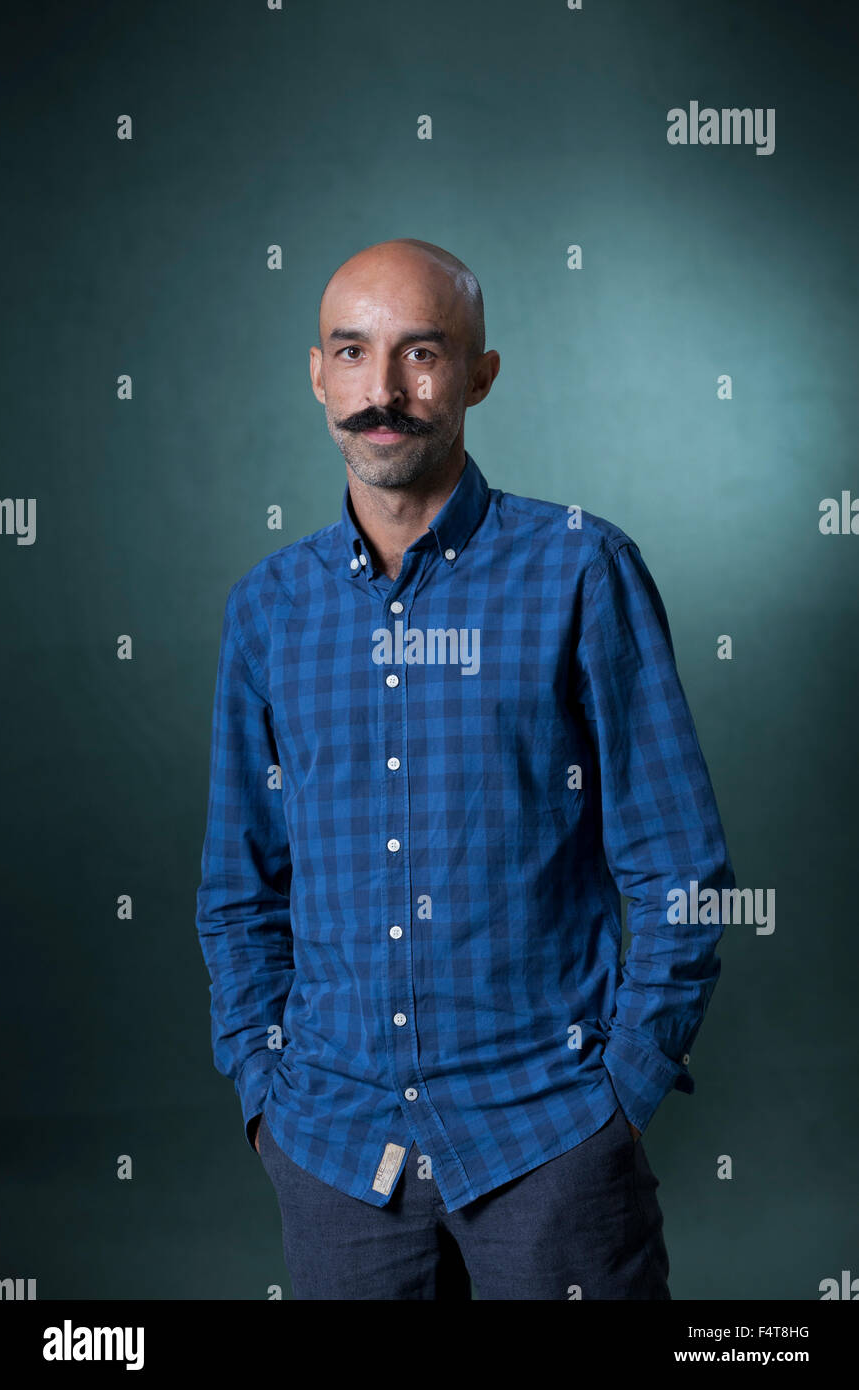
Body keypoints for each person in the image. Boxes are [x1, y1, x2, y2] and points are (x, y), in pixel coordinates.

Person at [195, 237, 735, 1300]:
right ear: (316, 374)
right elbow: (236, 889)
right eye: (350, 353)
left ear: (480, 375)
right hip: (335, 1156)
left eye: (421, 354)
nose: (381, 391)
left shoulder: (582, 568)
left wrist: (619, 1093)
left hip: (551, 1144)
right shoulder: (267, 609)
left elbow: (677, 867)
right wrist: (264, 1095)